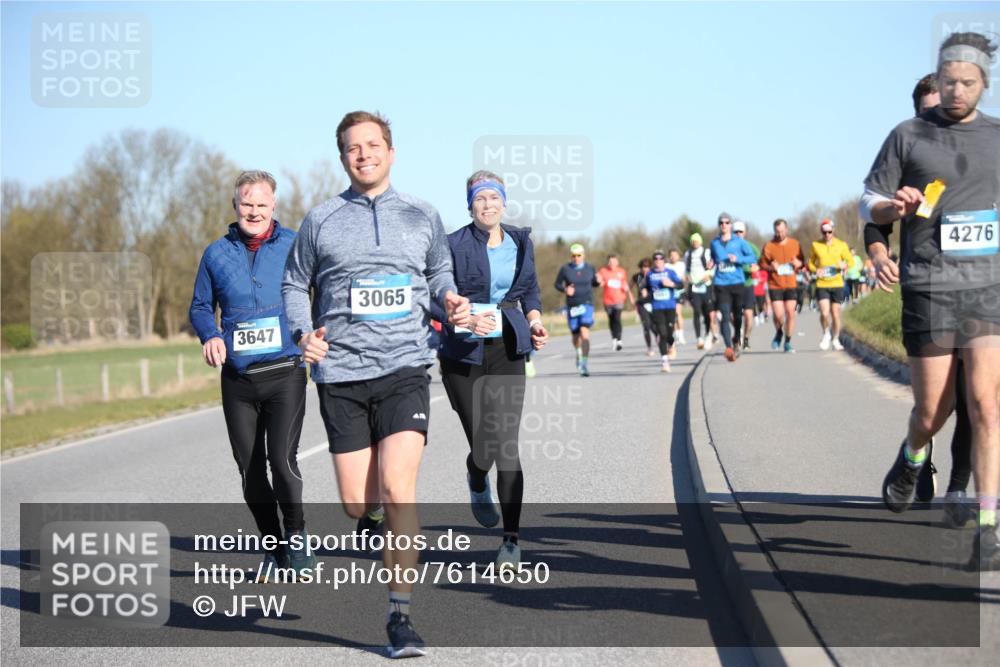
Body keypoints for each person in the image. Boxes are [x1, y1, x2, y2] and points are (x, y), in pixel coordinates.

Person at [282, 110, 470, 656]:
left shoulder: (421, 214)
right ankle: (373, 519)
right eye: (352, 148)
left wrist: (449, 299)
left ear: (390, 151)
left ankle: (400, 616)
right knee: (355, 502)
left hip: (405, 368)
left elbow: (438, 275)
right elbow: (295, 283)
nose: (363, 154)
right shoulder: (320, 220)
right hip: (340, 373)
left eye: (372, 145)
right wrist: (302, 333)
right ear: (342, 158)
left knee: (398, 488)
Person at [860, 32, 1000, 569]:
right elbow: (869, 201)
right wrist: (893, 210)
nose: (956, 90)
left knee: (986, 405)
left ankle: (987, 525)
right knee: (932, 410)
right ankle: (914, 456)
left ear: (983, 83)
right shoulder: (908, 136)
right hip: (930, 286)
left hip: (987, 290)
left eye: (967, 81)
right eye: (948, 81)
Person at [190, 170, 314, 580]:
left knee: (281, 459)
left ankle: (296, 536)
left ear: (274, 206)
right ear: (235, 206)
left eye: (262, 204)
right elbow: (201, 307)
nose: (254, 211)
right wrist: (209, 334)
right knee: (249, 468)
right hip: (239, 380)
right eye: (247, 204)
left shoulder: (296, 245)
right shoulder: (215, 254)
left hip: (286, 371)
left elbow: (322, 288)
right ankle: (273, 547)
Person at [436, 170, 549, 572]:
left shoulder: (521, 241)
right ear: (470, 205)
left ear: (504, 201)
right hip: (462, 354)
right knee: (483, 444)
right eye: (480, 199)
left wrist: (534, 320)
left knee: (506, 445)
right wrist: (462, 319)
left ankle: (512, 541)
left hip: (508, 348)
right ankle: (475, 474)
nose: (488, 205)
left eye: (494, 198)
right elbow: (435, 299)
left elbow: (530, 290)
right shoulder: (451, 245)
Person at [710, 212, 756, 362]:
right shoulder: (714, 243)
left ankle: (737, 337)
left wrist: (739, 259)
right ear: (719, 225)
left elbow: (752, 258)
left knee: (737, 316)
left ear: (730, 224)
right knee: (724, 316)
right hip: (721, 284)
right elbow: (713, 259)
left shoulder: (739, 242)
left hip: (737, 283)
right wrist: (710, 263)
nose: (724, 225)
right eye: (721, 223)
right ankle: (728, 347)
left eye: (727, 222)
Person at [554, 243, 602, 376]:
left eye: (579, 255)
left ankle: (584, 364)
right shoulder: (565, 269)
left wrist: (598, 281)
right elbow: (557, 284)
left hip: (587, 304)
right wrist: (565, 289)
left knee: (584, 332)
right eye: (573, 256)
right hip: (572, 306)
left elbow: (594, 283)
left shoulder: (590, 268)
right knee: (575, 336)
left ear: (583, 255)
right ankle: (578, 352)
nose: (576, 258)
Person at [759, 218, 804, 353]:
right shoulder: (769, 246)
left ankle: (788, 341)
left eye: (783, 231)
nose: (780, 234)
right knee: (779, 315)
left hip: (791, 284)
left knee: (791, 313)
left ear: (787, 230)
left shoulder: (795, 244)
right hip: (775, 285)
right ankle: (779, 332)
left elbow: (803, 262)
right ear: (774, 231)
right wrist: (771, 267)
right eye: (778, 232)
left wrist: (799, 264)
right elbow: (761, 264)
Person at [808, 219, 852, 351]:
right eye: (824, 232)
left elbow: (850, 260)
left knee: (836, 314)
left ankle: (836, 338)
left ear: (833, 231)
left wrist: (844, 265)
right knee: (824, 312)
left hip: (837, 283)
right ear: (821, 232)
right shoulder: (816, 245)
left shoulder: (841, 245)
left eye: (829, 232)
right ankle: (826, 333)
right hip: (822, 283)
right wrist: (816, 270)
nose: (827, 234)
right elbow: (810, 263)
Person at [647, 251, 682, 372]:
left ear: (664, 261)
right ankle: (665, 362)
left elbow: (681, 284)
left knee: (669, 333)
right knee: (662, 334)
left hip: (670, 307)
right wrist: (644, 293)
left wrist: (671, 284)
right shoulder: (649, 274)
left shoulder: (670, 272)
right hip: (657, 308)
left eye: (660, 259)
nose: (658, 261)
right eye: (655, 259)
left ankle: (671, 344)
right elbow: (644, 287)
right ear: (653, 261)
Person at [684, 232, 717, 350]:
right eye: (693, 241)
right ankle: (698, 338)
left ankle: (708, 334)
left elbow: (712, 266)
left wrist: (709, 275)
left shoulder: (706, 252)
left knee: (707, 312)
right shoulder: (688, 254)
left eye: (696, 241)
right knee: (696, 311)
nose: (695, 243)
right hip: (694, 287)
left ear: (700, 241)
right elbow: (686, 269)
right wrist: (687, 276)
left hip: (706, 285)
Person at [733, 221, 760, 351]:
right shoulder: (728, 247)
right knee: (734, 316)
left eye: (740, 232)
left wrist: (756, 267)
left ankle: (746, 339)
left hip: (747, 284)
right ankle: (737, 333)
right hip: (733, 285)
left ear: (745, 233)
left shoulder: (751, 247)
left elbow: (760, 262)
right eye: (736, 232)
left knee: (749, 315)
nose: (738, 234)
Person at [598, 253, 634, 351]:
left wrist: (631, 296)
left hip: (619, 299)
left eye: (613, 261)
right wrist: (600, 282)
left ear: (617, 262)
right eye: (610, 261)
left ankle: (619, 340)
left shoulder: (622, 271)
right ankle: (614, 338)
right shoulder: (603, 271)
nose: (612, 263)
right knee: (611, 320)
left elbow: (625, 284)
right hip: (607, 300)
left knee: (617, 319)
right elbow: (599, 282)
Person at [632, 258, 657, 356]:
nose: (645, 269)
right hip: (642, 304)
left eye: (647, 267)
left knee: (655, 327)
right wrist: (632, 298)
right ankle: (650, 348)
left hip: (653, 302)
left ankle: (661, 342)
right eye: (643, 267)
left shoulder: (654, 275)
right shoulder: (638, 277)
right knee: (646, 326)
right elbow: (629, 287)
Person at [667, 248, 688, 346]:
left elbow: (685, 277)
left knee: (678, 312)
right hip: (670, 292)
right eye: (671, 255)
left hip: (679, 291)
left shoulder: (682, 265)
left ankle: (681, 334)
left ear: (678, 256)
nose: (673, 257)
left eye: (675, 255)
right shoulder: (666, 266)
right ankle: (676, 334)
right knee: (672, 314)